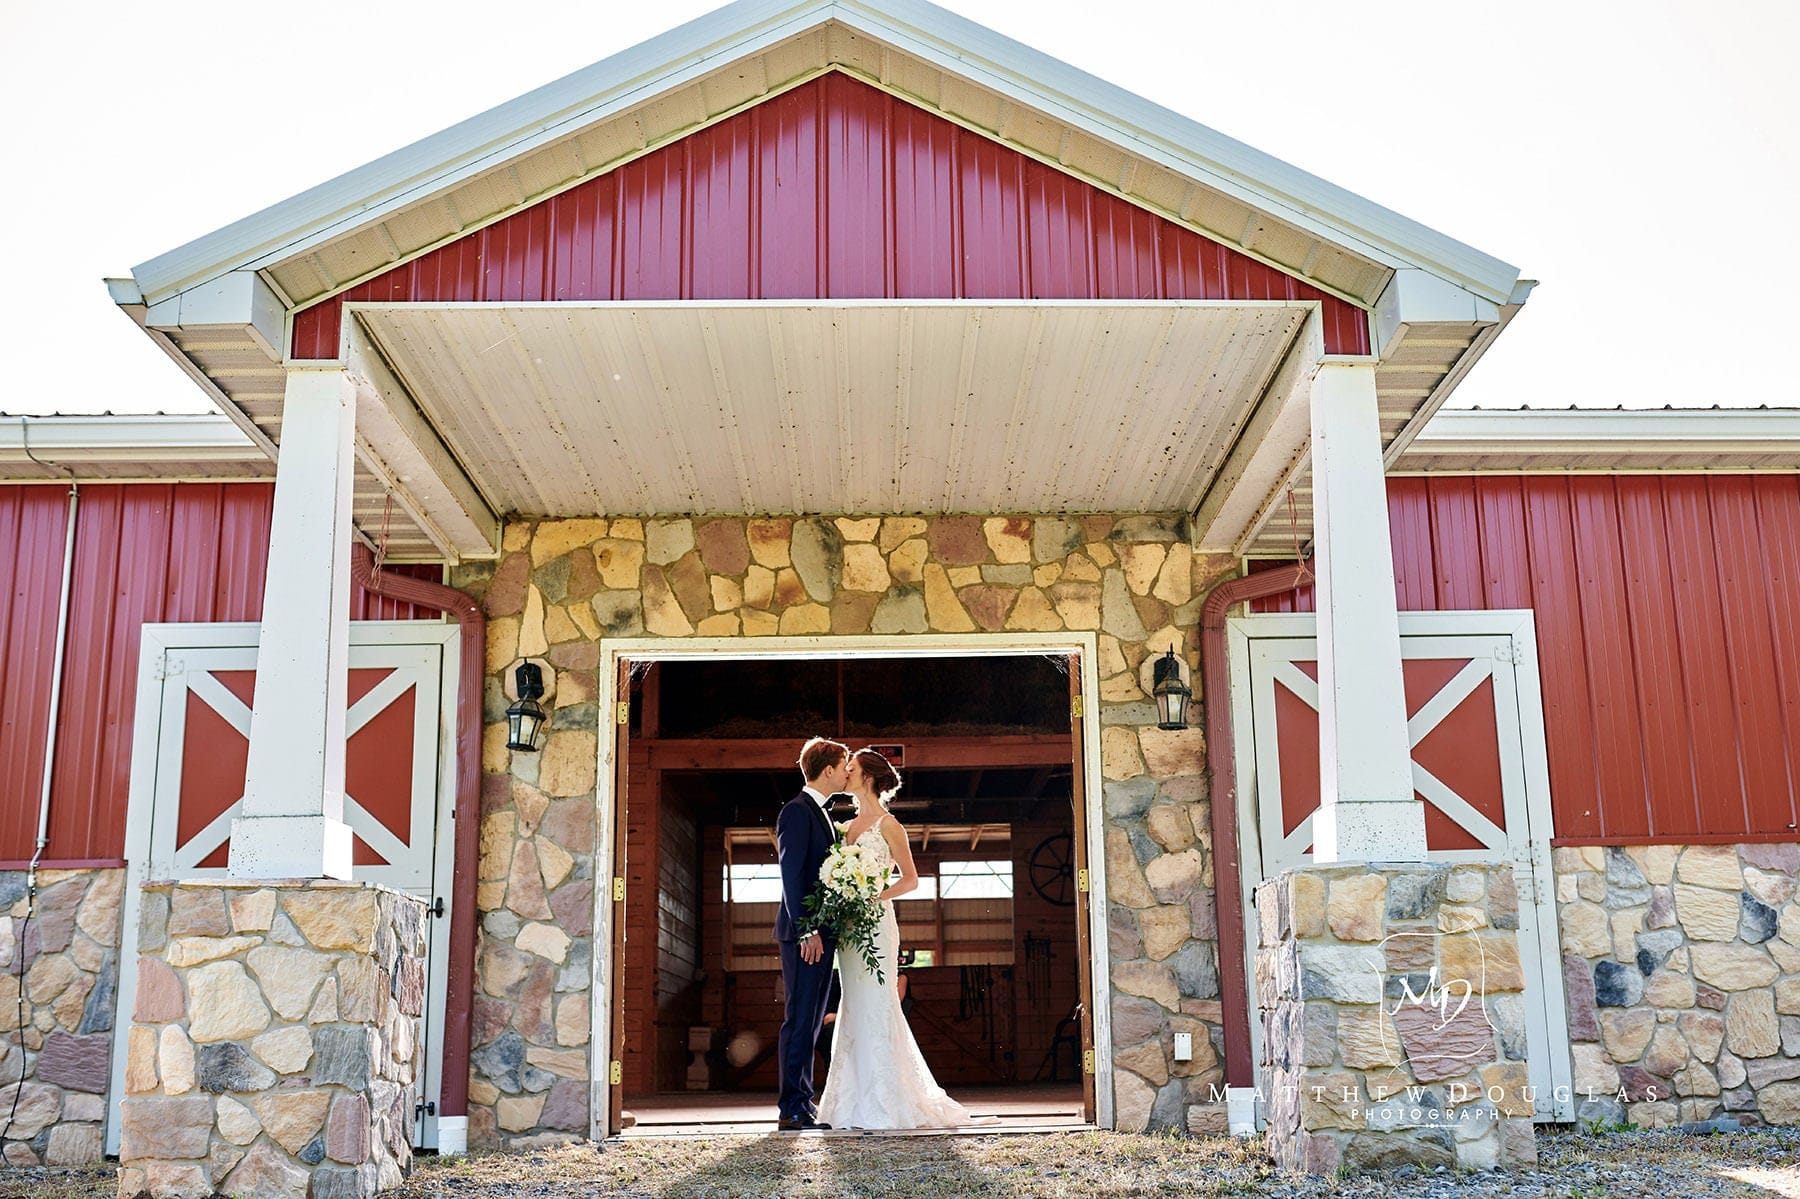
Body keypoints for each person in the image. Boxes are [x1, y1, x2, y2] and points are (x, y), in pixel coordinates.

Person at [815, 747, 973, 1130]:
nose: (845, 774)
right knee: (853, 1003)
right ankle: (850, 1101)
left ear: (867, 775)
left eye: (850, 769)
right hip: (850, 930)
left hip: (875, 924)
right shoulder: (844, 826)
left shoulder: (889, 826)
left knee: (877, 1003)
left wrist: (872, 894)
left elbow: (910, 878)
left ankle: (886, 1099)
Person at [773, 736, 848, 1131]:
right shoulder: (797, 812)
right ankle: (791, 1109)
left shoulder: (822, 813)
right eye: (844, 763)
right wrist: (807, 932)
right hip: (805, 936)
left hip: (821, 933)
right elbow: (790, 876)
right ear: (829, 769)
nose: (848, 770)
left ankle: (804, 1103)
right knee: (800, 1019)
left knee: (812, 1021)